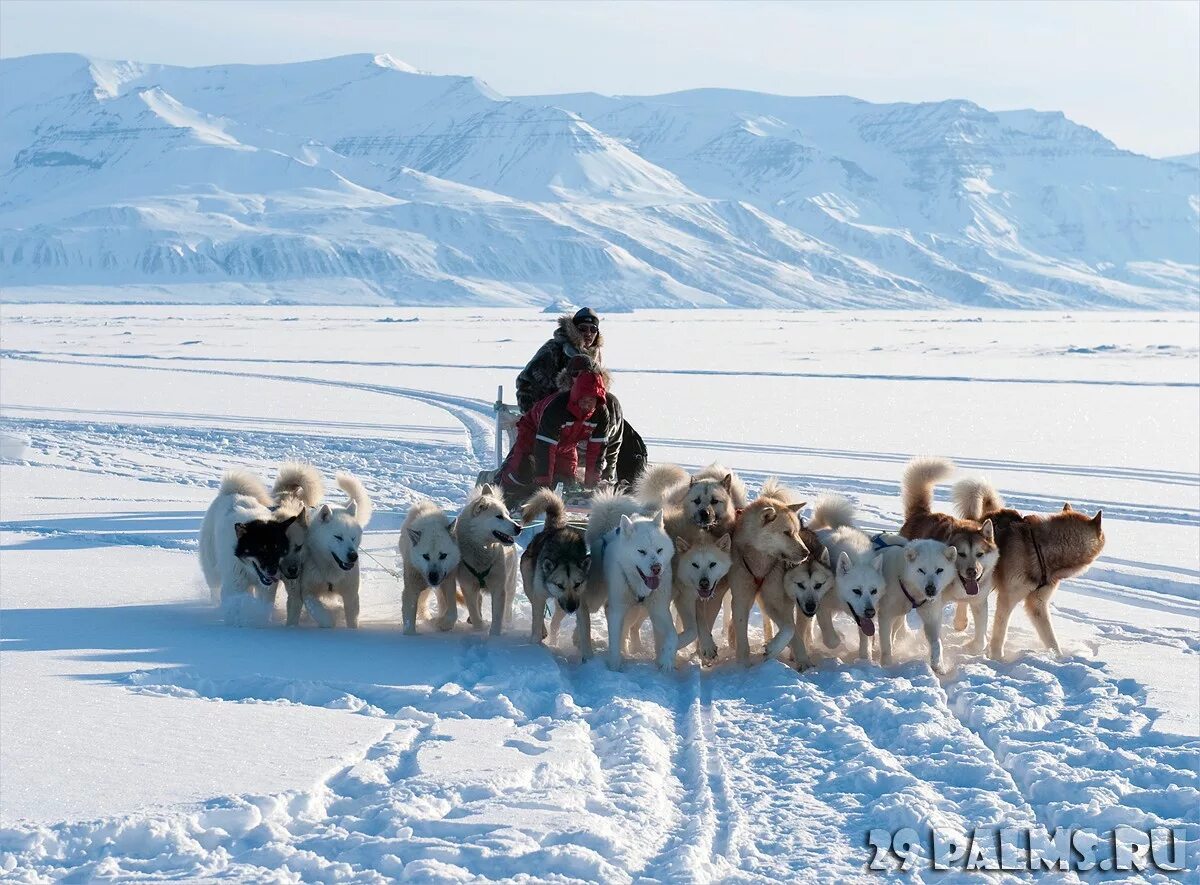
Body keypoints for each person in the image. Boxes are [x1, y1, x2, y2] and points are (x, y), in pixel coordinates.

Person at [499, 369, 610, 507]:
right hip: (533, 436)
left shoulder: (601, 413)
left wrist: (592, 485)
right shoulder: (557, 407)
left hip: (566, 445)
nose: (588, 404)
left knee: (565, 483)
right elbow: (545, 447)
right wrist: (543, 486)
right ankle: (503, 493)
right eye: (584, 399)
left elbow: (597, 450)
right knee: (522, 472)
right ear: (577, 396)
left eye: (592, 400)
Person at [515, 307, 602, 413]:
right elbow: (526, 381)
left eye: (593, 329)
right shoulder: (554, 349)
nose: (588, 333)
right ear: (574, 329)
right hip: (549, 411)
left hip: (580, 410)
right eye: (583, 328)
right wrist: (534, 414)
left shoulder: (594, 354)